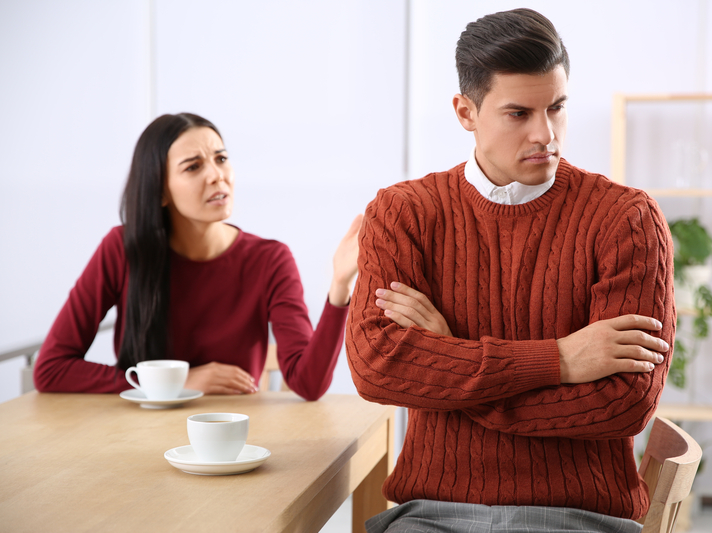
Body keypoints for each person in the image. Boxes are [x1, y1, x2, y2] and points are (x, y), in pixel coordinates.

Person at [346, 8, 674, 533]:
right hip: (431, 516)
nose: (546, 134)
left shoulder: (626, 218)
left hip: (577, 517)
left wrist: (451, 360)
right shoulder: (403, 212)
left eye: (558, 108)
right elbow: (377, 366)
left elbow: (624, 403)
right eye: (519, 113)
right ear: (465, 111)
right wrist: (560, 360)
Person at [34, 113, 361, 401]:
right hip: (134, 434)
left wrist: (340, 285)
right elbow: (50, 368)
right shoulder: (122, 248)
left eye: (221, 159)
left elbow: (309, 384)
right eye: (193, 166)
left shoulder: (270, 259)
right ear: (161, 191)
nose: (217, 175)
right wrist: (176, 383)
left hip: (232, 441)